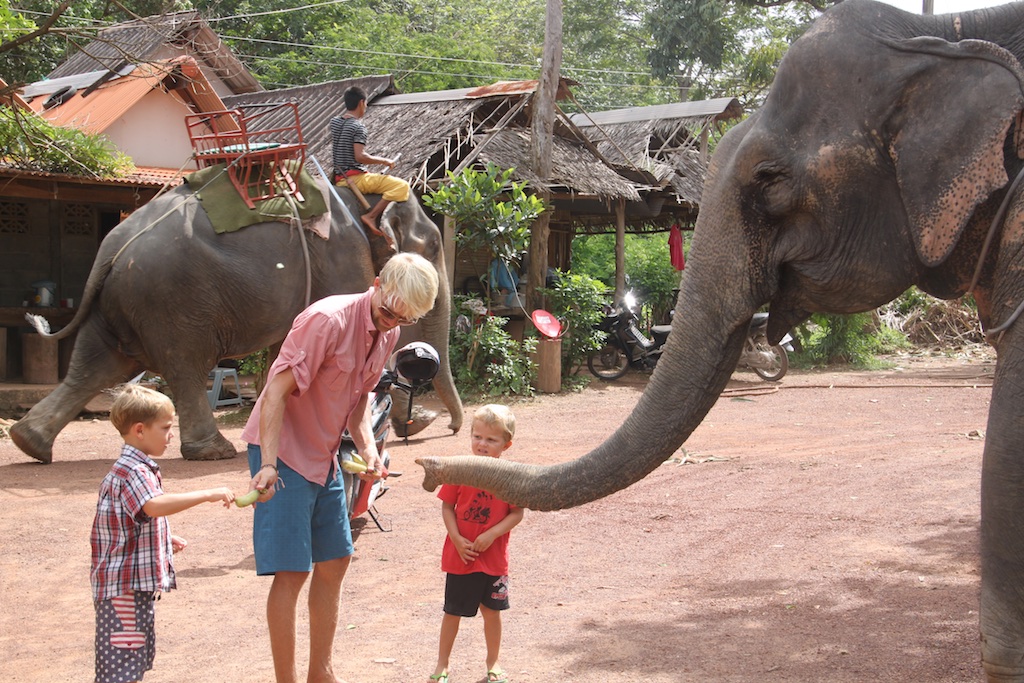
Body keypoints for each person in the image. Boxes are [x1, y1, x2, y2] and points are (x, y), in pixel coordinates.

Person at [241, 251, 439, 683]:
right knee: (292, 572)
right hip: (285, 453)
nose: (391, 323)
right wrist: (269, 465)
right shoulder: (326, 321)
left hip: (324, 454)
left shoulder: (389, 331)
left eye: (401, 319)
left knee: (336, 561)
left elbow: (360, 399)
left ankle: (321, 672)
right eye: (387, 312)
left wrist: (369, 448)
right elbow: (275, 394)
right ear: (377, 282)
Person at [91, 384, 236, 683]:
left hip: (129, 586)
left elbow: (128, 519)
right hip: (124, 589)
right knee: (122, 667)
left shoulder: (132, 467)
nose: (172, 434)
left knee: (131, 661)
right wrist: (207, 493)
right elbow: (152, 506)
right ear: (140, 430)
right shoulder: (135, 470)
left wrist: (162, 538)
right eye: (167, 427)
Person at [428, 404, 525, 683]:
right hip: (462, 556)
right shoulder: (460, 470)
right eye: (477, 436)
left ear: (506, 445)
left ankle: (493, 663)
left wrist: (492, 534)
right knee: (452, 612)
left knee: (492, 613)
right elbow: (447, 507)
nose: (482, 444)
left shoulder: (510, 475)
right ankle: (442, 664)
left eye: (491, 439)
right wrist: (457, 539)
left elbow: (517, 513)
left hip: (494, 559)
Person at [329, 85, 411, 235]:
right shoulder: (358, 128)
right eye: (365, 104)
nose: (365, 108)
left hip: (339, 177)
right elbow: (360, 156)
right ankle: (371, 216)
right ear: (361, 103)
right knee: (402, 186)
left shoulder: (334, 123)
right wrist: (384, 161)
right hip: (356, 179)